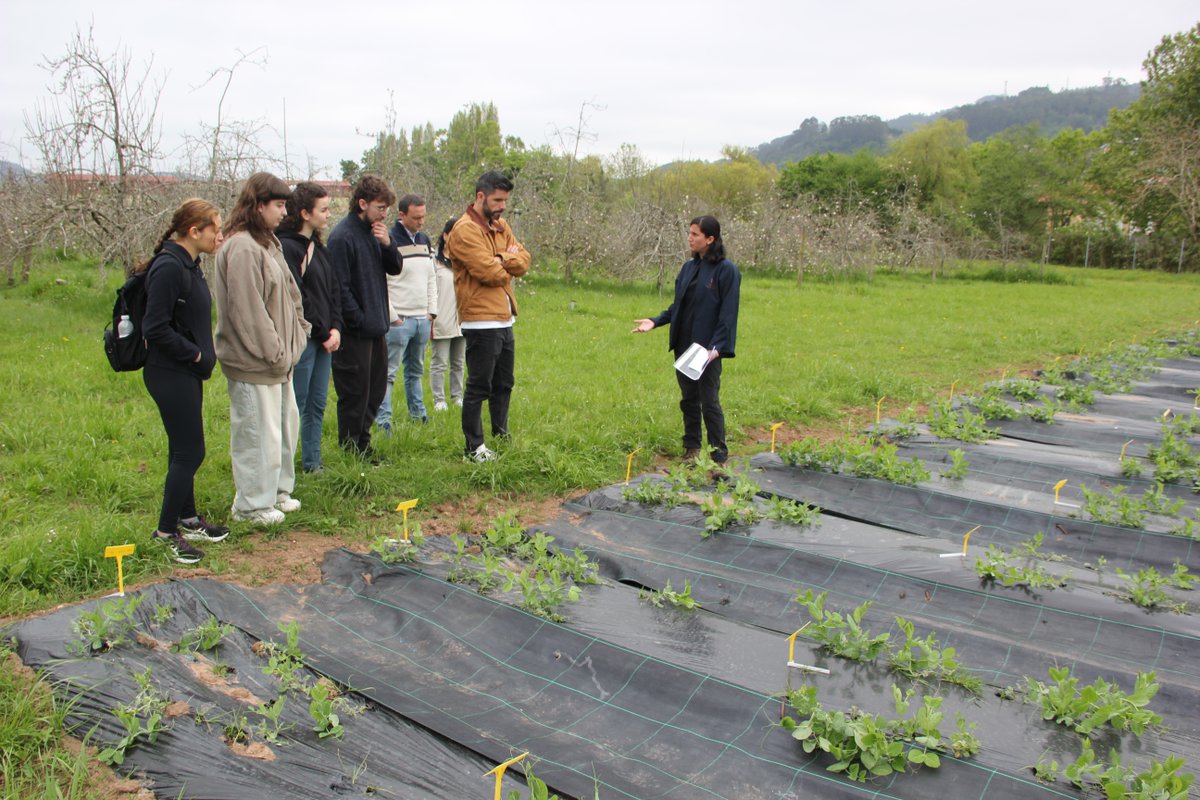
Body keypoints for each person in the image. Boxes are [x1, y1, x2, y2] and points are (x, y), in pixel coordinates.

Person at [214, 172, 310, 525]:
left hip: (280, 360)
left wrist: (300, 333)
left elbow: (290, 293)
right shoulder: (241, 246)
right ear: (258, 205)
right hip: (254, 361)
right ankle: (251, 506)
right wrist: (275, 352)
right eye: (279, 205)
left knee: (284, 429)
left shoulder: (268, 242)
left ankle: (277, 492)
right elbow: (247, 310)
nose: (284, 212)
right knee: (257, 433)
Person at [142, 199, 226, 563]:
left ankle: (188, 518)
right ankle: (165, 532)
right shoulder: (168, 267)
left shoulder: (190, 264)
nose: (219, 236)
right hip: (169, 371)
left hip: (187, 373)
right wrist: (194, 354)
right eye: (215, 230)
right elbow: (154, 327)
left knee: (183, 448)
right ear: (195, 231)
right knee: (191, 452)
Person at [632, 215, 740, 465]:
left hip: (707, 349)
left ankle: (718, 456)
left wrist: (717, 348)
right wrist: (655, 321)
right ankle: (691, 449)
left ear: (710, 239)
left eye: (695, 234)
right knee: (688, 399)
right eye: (689, 233)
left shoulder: (727, 271)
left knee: (709, 401)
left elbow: (728, 314)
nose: (689, 238)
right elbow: (677, 307)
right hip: (684, 346)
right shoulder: (688, 268)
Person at [444, 171, 531, 462]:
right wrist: (506, 259)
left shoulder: (500, 225)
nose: (502, 206)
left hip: (505, 317)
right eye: (497, 200)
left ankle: (500, 433)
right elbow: (488, 272)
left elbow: (524, 260)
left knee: (504, 382)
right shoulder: (464, 230)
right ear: (480, 196)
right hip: (480, 319)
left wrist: (503, 258)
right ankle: (474, 447)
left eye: (505, 200)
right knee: (479, 385)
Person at [327, 175, 402, 459]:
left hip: (376, 328)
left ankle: (363, 443)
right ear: (362, 203)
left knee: (375, 390)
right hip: (354, 332)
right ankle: (351, 450)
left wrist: (387, 244)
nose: (384, 214)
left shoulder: (376, 233)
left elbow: (395, 268)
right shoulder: (342, 237)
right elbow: (341, 288)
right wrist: (358, 319)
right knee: (354, 394)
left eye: (387, 209)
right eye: (380, 207)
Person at [277, 182, 342, 473]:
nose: (328, 215)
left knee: (317, 404)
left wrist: (337, 328)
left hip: (327, 340)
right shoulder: (287, 248)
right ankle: (283, 467)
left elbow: (334, 292)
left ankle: (312, 462)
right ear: (305, 213)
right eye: (323, 209)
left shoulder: (320, 248)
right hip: (304, 340)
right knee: (296, 404)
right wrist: (323, 332)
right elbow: (298, 298)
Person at [378, 194, 436, 429]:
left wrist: (432, 311)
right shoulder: (388, 240)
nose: (421, 222)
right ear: (402, 215)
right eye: (416, 217)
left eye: (423, 217)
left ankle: (418, 416)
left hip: (422, 318)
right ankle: (383, 421)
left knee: (415, 371)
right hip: (399, 320)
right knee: (389, 373)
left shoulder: (424, 240)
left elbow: (431, 277)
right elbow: (381, 282)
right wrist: (393, 316)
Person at [430, 217, 465, 411]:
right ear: (445, 235)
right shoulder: (434, 262)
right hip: (441, 319)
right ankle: (439, 400)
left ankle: (457, 396)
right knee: (440, 362)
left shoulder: (463, 261)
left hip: (462, 320)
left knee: (459, 362)